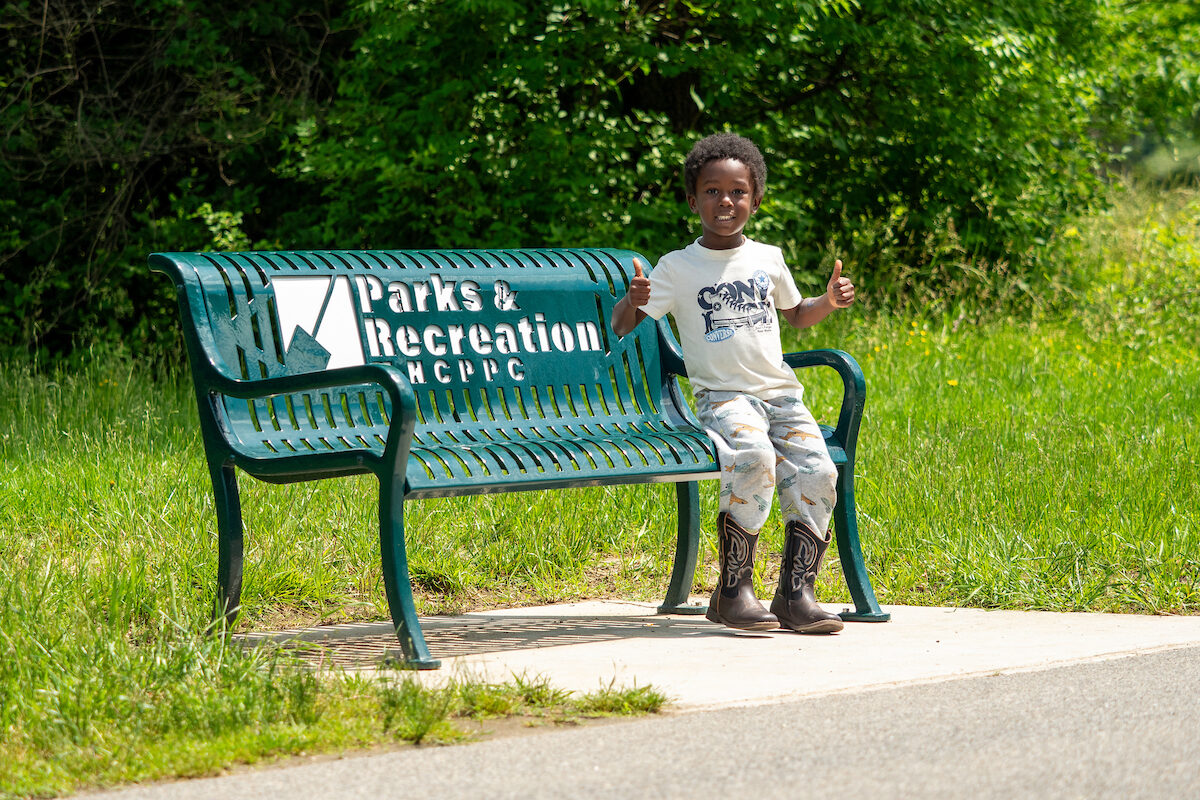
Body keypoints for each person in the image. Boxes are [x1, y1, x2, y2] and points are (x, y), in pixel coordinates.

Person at [611, 132, 855, 634]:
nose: (726, 201)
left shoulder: (768, 257)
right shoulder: (677, 267)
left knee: (818, 469)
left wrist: (827, 301)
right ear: (693, 198)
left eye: (738, 191)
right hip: (721, 397)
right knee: (753, 458)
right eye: (713, 191)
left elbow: (797, 315)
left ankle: (795, 594)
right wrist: (634, 299)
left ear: (756, 198)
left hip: (780, 395)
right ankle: (732, 591)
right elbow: (621, 325)